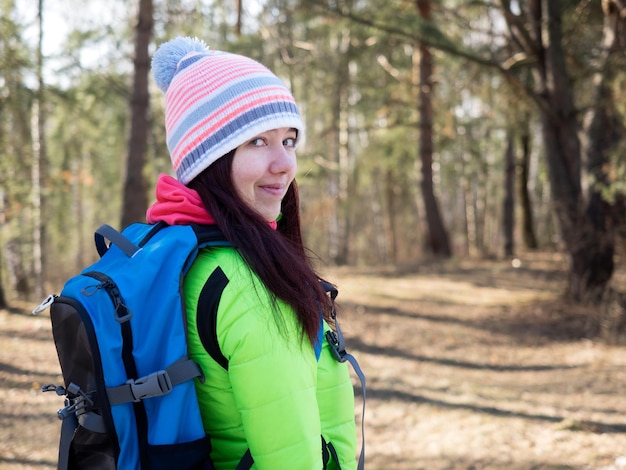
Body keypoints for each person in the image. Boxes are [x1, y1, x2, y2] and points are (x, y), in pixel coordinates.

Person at [147, 36, 359, 470]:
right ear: (209, 160)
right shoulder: (251, 284)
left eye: (289, 140)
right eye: (257, 142)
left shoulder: (184, 255)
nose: (284, 164)